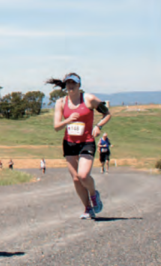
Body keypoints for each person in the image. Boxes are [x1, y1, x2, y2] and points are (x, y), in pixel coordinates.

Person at [45, 72, 112, 220]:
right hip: (69, 143)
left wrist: (98, 126)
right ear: (65, 85)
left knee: (83, 175)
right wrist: (68, 120)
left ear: (79, 85)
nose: (70, 86)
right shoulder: (61, 103)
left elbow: (107, 113)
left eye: (73, 83)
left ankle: (94, 195)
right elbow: (56, 127)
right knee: (76, 178)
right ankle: (87, 208)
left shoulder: (89, 99)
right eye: (68, 83)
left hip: (86, 142)